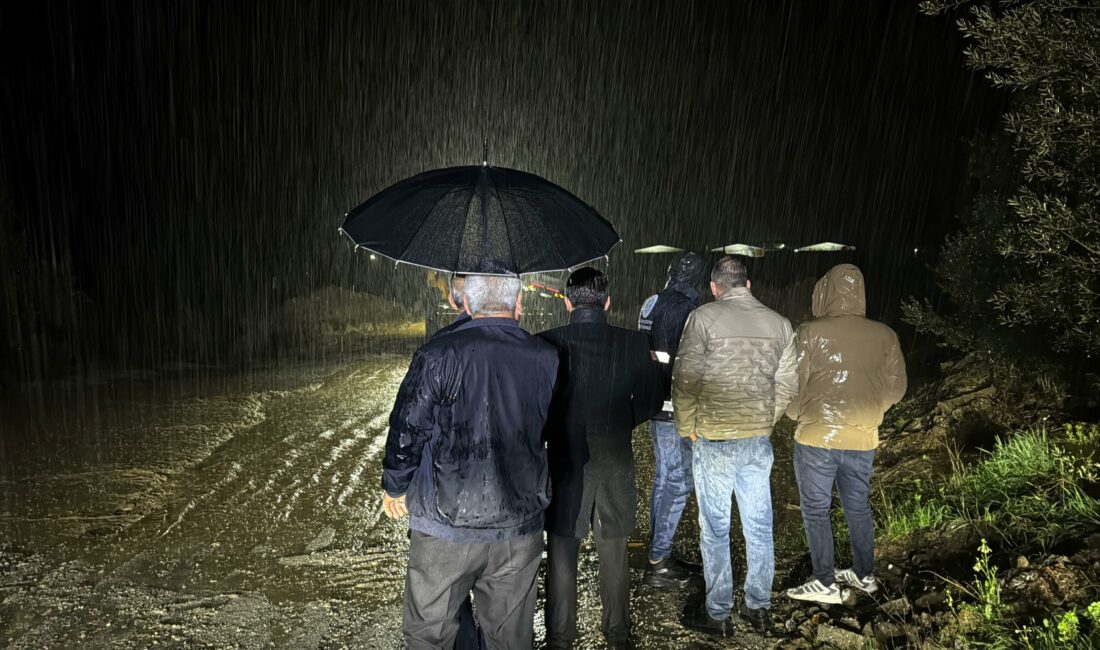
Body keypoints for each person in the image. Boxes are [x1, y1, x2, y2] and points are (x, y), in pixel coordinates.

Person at [381, 273, 559, 650]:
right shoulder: (546, 357)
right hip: (518, 525)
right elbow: (549, 429)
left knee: (430, 634)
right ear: (519, 304)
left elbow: (407, 426)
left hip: (446, 529)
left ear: (465, 304)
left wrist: (395, 485)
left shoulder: (437, 355)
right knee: (511, 639)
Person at [539, 268, 664, 650]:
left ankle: (560, 639)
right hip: (615, 462)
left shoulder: (546, 344)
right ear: (607, 302)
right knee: (614, 553)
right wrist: (624, 420)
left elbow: (536, 404)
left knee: (562, 552)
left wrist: (552, 429)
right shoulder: (634, 345)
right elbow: (654, 400)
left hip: (565, 466)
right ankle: (618, 635)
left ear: (567, 302)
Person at [672, 256, 796, 637]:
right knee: (759, 525)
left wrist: (687, 427)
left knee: (715, 527)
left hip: (714, 438)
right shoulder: (779, 324)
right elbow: (788, 385)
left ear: (714, 287)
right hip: (756, 440)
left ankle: (719, 613)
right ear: (748, 284)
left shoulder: (703, 319)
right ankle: (758, 607)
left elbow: (686, 379)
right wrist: (764, 420)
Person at [784, 264, 907, 605]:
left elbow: (792, 384)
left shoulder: (808, 333)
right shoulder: (885, 335)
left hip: (815, 437)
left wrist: (798, 413)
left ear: (825, 292)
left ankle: (825, 580)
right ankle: (865, 575)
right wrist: (872, 411)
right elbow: (897, 387)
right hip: (862, 438)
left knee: (815, 508)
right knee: (857, 505)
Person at [637, 251, 706, 587]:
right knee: (680, 481)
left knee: (666, 477)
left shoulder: (651, 303)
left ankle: (657, 549)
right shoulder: (693, 311)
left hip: (654, 404)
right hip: (676, 409)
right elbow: (688, 367)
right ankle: (659, 559)